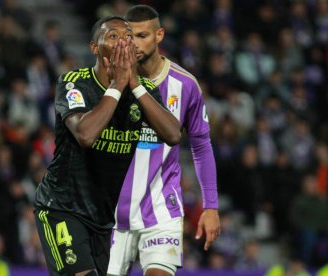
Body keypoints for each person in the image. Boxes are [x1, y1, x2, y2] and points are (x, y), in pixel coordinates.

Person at [34, 16, 181, 276]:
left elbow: (172, 134)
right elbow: (85, 135)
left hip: (103, 219)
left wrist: (132, 83)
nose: (123, 41)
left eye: (127, 36)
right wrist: (117, 85)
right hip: (62, 207)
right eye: (113, 36)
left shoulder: (143, 89)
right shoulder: (74, 83)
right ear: (94, 48)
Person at [107, 5, 221, 276]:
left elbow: (201, 146)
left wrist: (211, 206)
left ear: (159, 35)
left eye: (142, 35)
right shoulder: (108, 81)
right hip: (109, 213)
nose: (134, 44)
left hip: (160, 209)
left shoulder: (185, 85)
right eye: (129, 36)